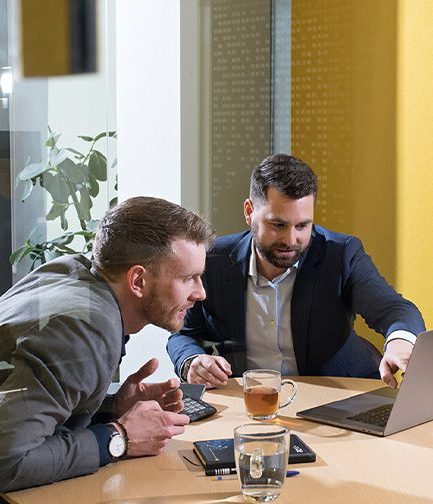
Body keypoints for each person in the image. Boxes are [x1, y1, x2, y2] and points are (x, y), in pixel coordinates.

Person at [0, 196, 215, 492]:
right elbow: (8, 463)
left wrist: (111, 409)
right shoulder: (83, 328)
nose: (200, 293)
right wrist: (120, 437)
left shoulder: (70, 272)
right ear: (138, 281)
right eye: (188, 278)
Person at [167, 154, 426, 390]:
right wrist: (192, 361)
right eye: (277, 224)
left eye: (303, 225)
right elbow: (184, 335)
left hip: (338, 396)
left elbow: (395, 310)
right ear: (249, 212)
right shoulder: (213, 260)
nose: (290, 240)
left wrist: (399, 342)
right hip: (252, 402)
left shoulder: (341, 254)